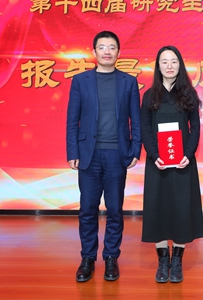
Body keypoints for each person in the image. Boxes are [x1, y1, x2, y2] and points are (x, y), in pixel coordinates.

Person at [66, 30, 142, 283]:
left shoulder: (128, 82)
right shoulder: (80, 81)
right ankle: (87, 258)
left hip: (116, 155)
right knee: (87, 209)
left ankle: (111, 257)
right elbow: (72, 120)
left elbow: (136, 120)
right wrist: (72, 151)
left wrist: (135, 149)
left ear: (118, 52)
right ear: (94, 52)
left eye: (111, 47)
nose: (107, 51)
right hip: (88, 155)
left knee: (115, 210)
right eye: (102, 47)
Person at [140, 45, 203, 283]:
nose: (169, 66)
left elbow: (195, 128)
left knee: (181, 209)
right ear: (158, 66)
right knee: (157, 208)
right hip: (157, 162)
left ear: (180, 65)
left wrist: (188, 154)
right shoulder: (150, 95)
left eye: (174, 61)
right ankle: (162, 260)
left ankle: (177, 260)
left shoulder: (188, 94)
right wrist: (153, 154)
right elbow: (145, 128)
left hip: (182, 163)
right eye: (164, 62)